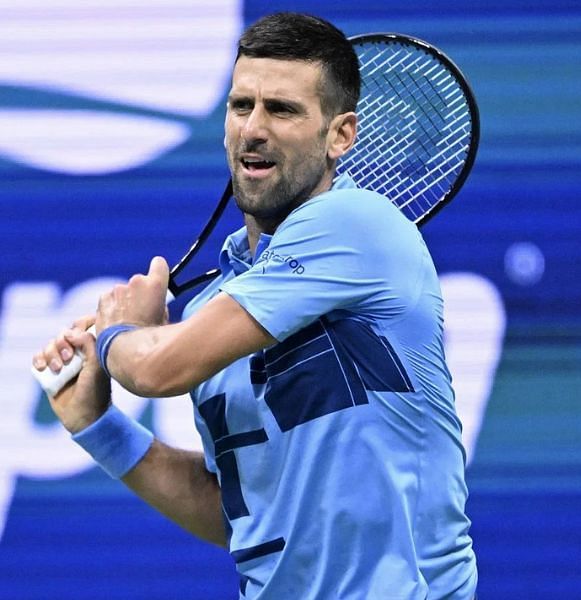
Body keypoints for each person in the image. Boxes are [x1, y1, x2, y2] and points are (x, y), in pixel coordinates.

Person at [31, 13, 476, 599]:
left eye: (283, 110)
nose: (253, 129)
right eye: (242, 106)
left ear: (341, 135)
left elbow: (156, 369)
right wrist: (98, 426)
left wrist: (125, 334)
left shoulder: (356, 223)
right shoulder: (212, 307)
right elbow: (244, 512)